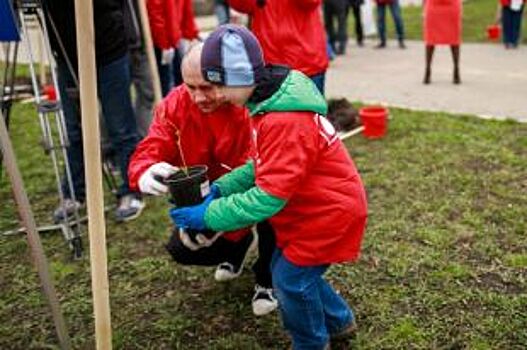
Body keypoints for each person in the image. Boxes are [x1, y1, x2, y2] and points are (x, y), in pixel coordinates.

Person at [170, 25, 368, 349]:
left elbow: (267, 197)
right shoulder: (265, 106)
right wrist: (222, 188)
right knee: (290, 271)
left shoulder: (283, 119)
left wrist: (210, 214)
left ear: (236, 77)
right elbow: (261, 164)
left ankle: (311, 343)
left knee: (290, 281)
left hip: (328, 214)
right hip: (313, 211)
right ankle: (339, 321)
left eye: (218, 85)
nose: (216, 95)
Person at [128, 44, 278, 316]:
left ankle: (267, 279)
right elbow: (153, 144)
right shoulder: (174, 104)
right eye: (190, 87)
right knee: (183, 249)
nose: (198, 97)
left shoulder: (248, 104)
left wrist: (228, 214)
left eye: (207, 87)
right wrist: (143, 170)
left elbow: (262, 170)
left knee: (274, 218)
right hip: (205, 194)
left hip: (253, 190)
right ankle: (239, 247)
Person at [43, 0, 144, 222]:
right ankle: (74, 194)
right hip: (67, 56)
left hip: (109, 52)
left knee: (120, 127)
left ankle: (131, 191)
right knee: (74, 130)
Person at [227, 0, 329, 95]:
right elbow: (242, 5)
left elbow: (311, 2)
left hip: (305, 63)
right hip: (269, 63)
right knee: (268, 113)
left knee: (310, 112)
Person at [146, 0, 200, 96]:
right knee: (167, 82)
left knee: (179, 80)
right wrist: (164, 44)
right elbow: (156, 15)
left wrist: (191, 34)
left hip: (174, 40)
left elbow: (186, 9)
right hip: (163, 43)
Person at [124, 0, 155, 136]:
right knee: (117, 102)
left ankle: (146, 139)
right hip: (117, 51)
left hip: (140, 46)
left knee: (148, 93)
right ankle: (109, 148)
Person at [423, 0, 462, 84]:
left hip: (437, 6)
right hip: (448, 6)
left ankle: (427, 72)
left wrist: (424, 6)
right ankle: (456, 72)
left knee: (431, 39)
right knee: (453, 39)